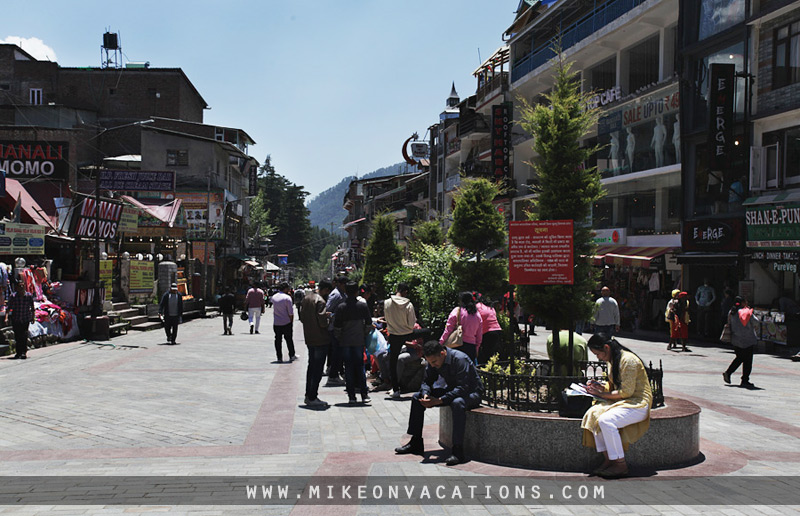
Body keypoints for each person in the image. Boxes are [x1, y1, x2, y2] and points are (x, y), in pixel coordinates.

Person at [395, 341, 484, 466]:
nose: (433, 365)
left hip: (471, 393)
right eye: (430, 363)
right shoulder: (434, 360)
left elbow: (463, 388)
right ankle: (416, 442)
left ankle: (458, 451)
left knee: (457, 403)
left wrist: (439, 400)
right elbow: (426, 381)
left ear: (442, 353)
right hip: (453, 390)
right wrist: (426, 394)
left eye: (434, 362)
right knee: (416, 398)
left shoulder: (460, 359)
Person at [582, 333, 652, 479]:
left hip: (638, 404)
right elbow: (614, 385)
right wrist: (600, 387)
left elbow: (626, 392)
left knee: (606, 421)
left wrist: (601, 394)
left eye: (598, 354)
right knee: (593, 414)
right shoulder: (612, 360)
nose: (598, 358)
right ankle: (609, 460)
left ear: (606, 348)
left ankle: (620, 464)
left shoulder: (628, 360)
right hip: (623, 402)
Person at [334, 281, 373, 405]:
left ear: (345, 291)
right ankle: (364, 394)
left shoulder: (341, 307)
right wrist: (363, 334)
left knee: (348, 368)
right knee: (360, 367)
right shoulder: (362, 306)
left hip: (345, 342)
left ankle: (351, 396)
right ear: (357, 292)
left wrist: (340, 338)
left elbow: (337, 327)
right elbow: (369, 324)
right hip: (358, 341)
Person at [299, 280, 332, 408]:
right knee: (318, 369)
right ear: (326, 290)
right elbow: (322, 323)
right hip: (320, 339)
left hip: (309, 337)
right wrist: (328, 318)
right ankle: (312, 396)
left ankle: (308, 395)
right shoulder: (320, 301)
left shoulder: (307, 298)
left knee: (311, 366)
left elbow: (302, 317)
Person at [384, 283, 417, 399]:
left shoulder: (387, 303)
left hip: (394, 334)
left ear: (396, 290)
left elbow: (387, 319)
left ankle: (395, 389)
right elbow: (412, 323)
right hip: (407, 333)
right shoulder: (409, 305)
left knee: (393, 362)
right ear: (405, 292)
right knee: (427, 332)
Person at [723, 296, 760, 389]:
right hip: (748, 339)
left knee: (739, 358)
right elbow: (756, 322)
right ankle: (744, 380)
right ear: (743, 303)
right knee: (747, 361)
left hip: (736, 339)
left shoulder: (732, 312)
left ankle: (729, 372)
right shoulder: (746, 312)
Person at [440, 292, 483, 363]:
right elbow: (479, 335)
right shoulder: (477, 315)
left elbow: (448, 329)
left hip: (457, 345)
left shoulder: (457, 311)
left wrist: (441, 343)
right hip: (471, 347)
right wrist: (476, 349)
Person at [324, 276, 348, 386]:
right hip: (334, 328)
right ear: (341, 284)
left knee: (339, 353)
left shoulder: (342, 294)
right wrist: (337, 315)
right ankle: (332, 376)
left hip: (341, 328)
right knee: (337, 353)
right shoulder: (336, 295)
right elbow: (327, 311)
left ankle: (337, 373)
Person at [6, 279, 34, 359]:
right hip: (16, 319)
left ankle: (23, 352)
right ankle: (18, 352)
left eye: (22, 286)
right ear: (17, 288)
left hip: (25, 319)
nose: (21, 287)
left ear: (24, 287)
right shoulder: (13, 296)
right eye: (19, 286)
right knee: (17, 336)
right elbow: (8, 308)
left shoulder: (28, 296)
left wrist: (33, 317)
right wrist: (6, 318)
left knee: (24, 336)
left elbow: (32, 308)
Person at [271, 282, 296, 363]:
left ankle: (279, 357)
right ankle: (291, 355)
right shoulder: (287, 298)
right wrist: (291, 321)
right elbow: (290, 312)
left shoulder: (274, 297)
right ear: (285, 288)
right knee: (289, 339)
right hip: (286, 322)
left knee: (278, 340)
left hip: (276, 322)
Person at [476, 294, 502, 364]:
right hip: (497, 330)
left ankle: (485, 368)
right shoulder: (490, 307)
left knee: (485, 354)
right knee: (493, 353)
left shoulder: (478, 306)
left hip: (487, 331)